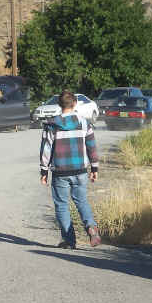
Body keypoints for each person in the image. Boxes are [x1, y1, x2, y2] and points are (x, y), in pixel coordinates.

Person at [40, 90, 102, 249]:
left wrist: (44, 171)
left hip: (60, 172)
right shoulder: (84, 122)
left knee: (61, 204)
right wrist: (94, 167)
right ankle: (91, 228)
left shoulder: (51, 124)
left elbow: (47, 149)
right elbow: (91, 146)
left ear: (59, 105)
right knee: (81, 201)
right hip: (80, 171)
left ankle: (69, 240)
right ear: (75, 104)